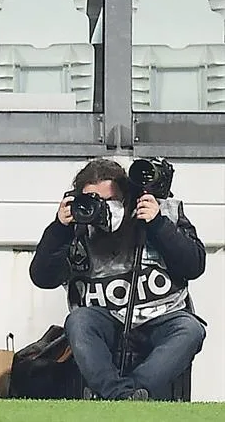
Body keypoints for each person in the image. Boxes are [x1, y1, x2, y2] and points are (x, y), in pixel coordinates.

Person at [31, 158, 206, 400]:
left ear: (126, 197)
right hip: (105, 321)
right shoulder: (76, 227)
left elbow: (194, 266)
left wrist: (157, 224)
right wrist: (59, 228)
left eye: (108, 200)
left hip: (162, 318)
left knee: (190, 329)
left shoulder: (160, 211)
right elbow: (42, 277)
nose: (101, 208)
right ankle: (124, 396)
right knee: (78, 321)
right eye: (93, 200)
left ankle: (122, 394)